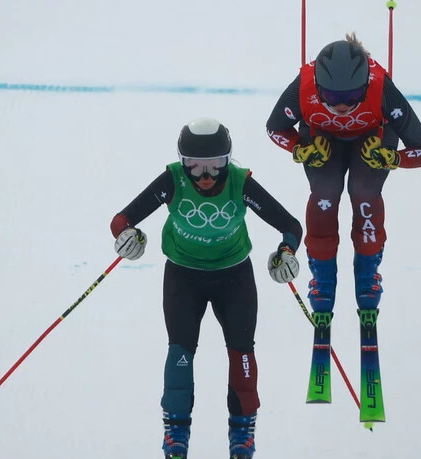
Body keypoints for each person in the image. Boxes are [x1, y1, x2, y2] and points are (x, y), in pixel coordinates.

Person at [110, 117, 303, 459]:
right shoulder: (173, 180)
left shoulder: (240, 183)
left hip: (234, 277)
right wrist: (128, 236)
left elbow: (290, 225)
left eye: (215, 165)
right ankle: (176, 434)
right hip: (184, 276)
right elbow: (122, 219)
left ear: (228, 160)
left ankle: (243, 434)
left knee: (242, 352)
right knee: (180, 354)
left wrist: (285, 253)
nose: (205, 176)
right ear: (183, 162)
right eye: (194, 166)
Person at [265, 33, 421, 341]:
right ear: (317, 86)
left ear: (366, 83)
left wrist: (393, 157)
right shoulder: (302, 87)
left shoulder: (382, 88)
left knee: (364, 191)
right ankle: (323, 279)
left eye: (353, 95)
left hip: (372, 139)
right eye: (330, 96)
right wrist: (299, 148)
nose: (342, 106)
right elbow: (274, 128)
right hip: (322, 139)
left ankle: (367, 273)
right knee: (325, 191)